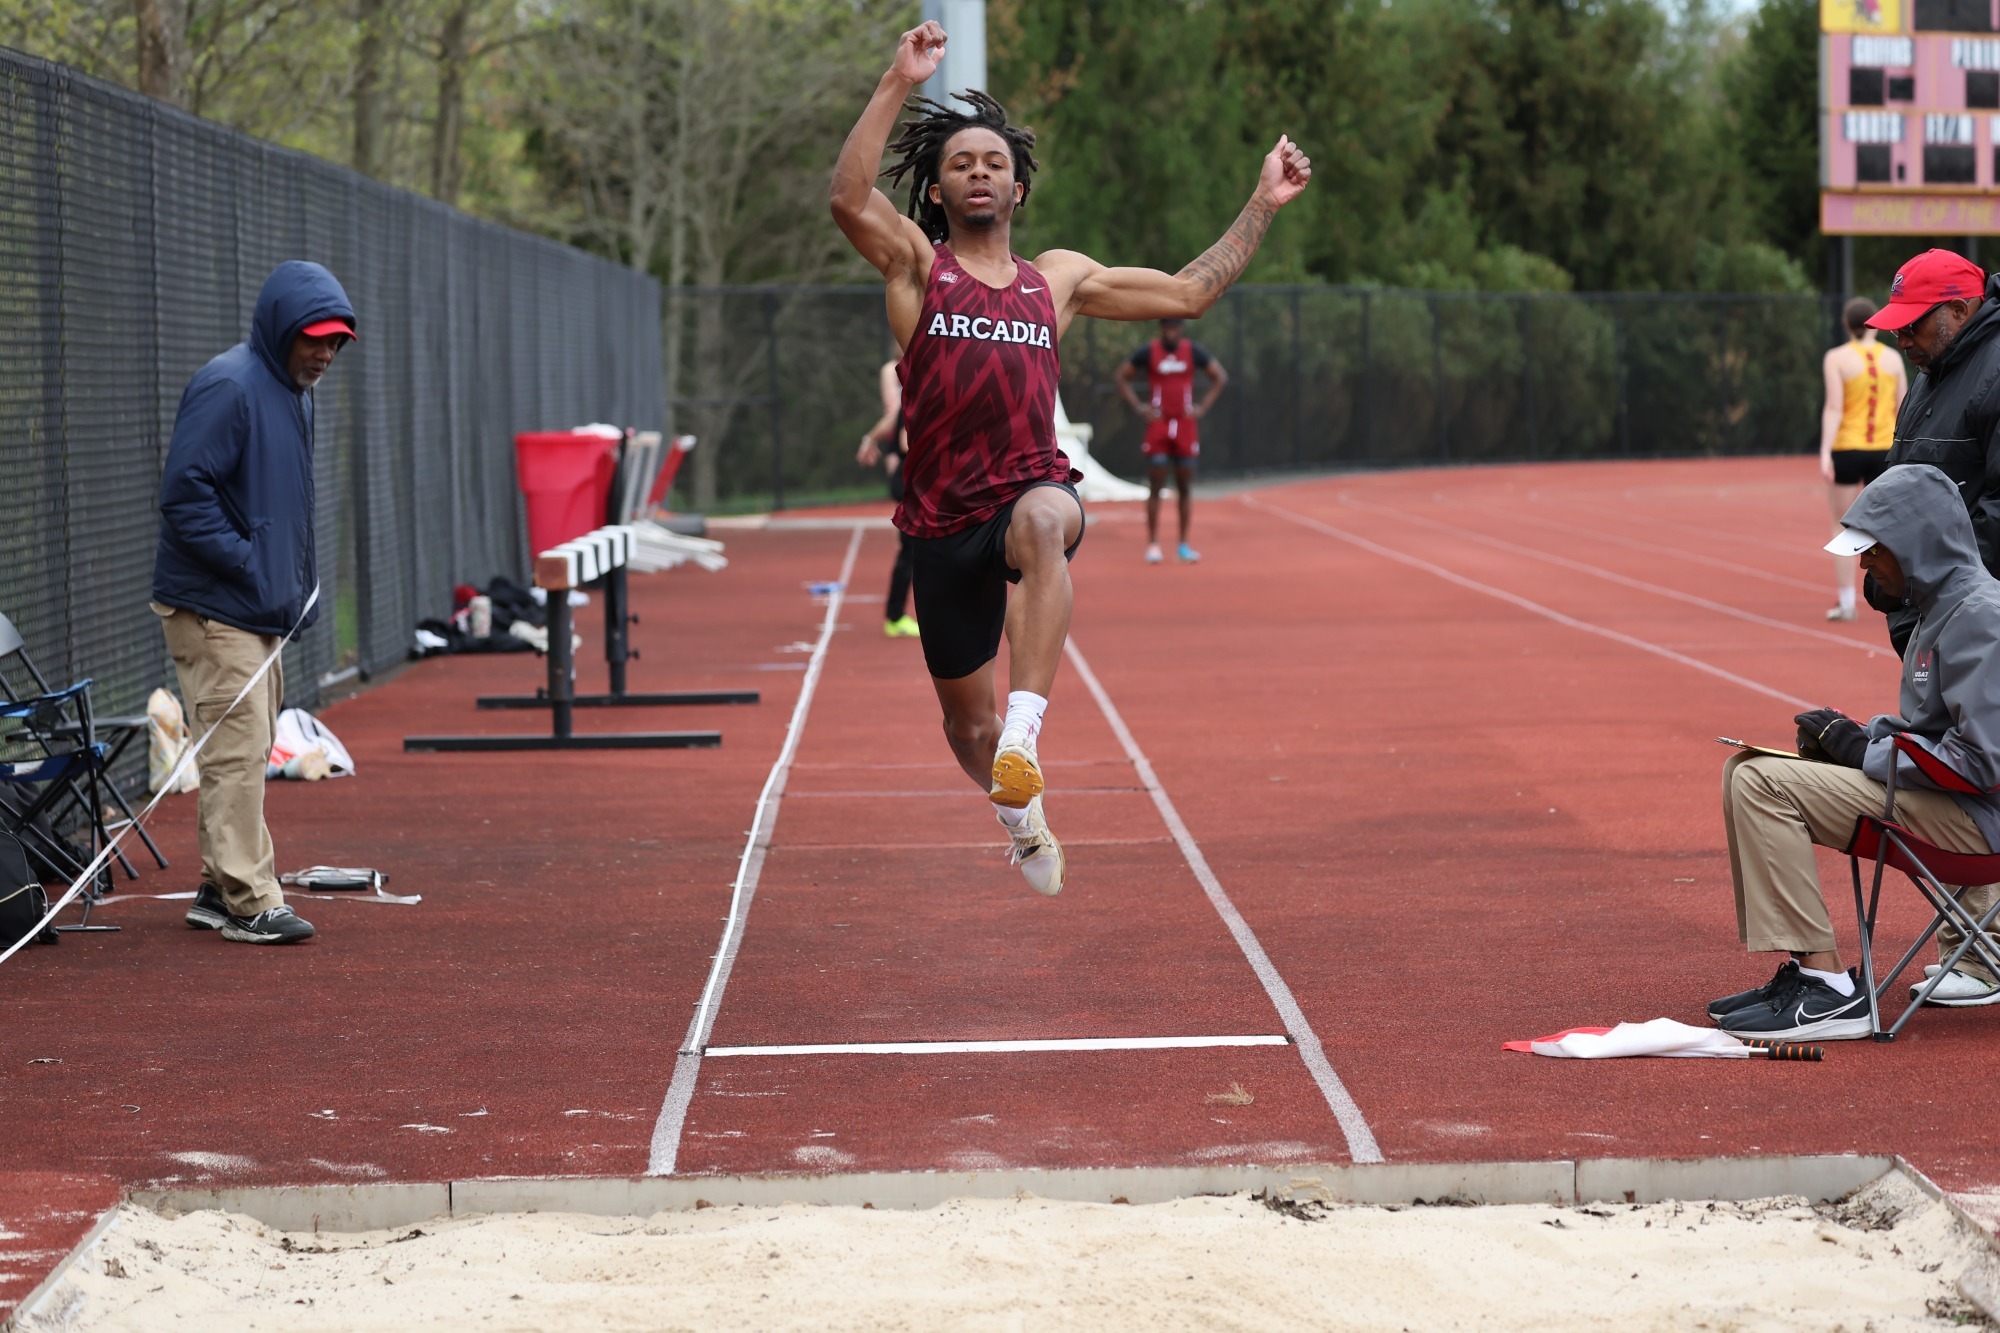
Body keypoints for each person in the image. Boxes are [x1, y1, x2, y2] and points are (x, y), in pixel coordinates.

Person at [830, 19, 1310, 895]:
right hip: (941, 516)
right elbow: (847, 197)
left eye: (994, 162)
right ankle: (1019, 809)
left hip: (1024, 490)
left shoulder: (1058, 281)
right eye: (961, 163)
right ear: (936, 193)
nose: (979, 170)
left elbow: (1190, 293)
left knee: (1049, 515)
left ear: (1018, 186)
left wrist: (1262, 203)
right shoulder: (916, 267)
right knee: (960, 731)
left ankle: (1027, 731)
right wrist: (898, 80)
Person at [1711, 464, 2000, 1039]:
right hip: (1952, 809)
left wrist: (1865, 752)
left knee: (1759, 782)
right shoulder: (1942, 606)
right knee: (1744, 767)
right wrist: (1861, 736)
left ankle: (1828, 991)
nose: (1863, 565)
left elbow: (1984, 763)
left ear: (1917, 544)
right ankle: (1807, 972)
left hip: (1977, 826)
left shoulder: (1977, 615)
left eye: (1873, 551)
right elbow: (1937, 733)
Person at [151, 260, 356, 945]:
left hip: (252, 604)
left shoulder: (291, 389)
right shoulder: (230, 384)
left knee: (248, 742)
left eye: (336, 342)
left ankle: (216, 885)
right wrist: (250, 565)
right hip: (216, 604)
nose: (324, 353)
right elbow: (185, 494)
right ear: (281, 330)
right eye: (313, 339)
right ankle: (249, 898)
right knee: (239, 751)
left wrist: (282, 585)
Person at [1871, 249, 2000, 656]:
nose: (1902, 339)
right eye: (1896, 329)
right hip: (1933, 616)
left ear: (1960, 309)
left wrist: (1916, 580)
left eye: (1911, 324)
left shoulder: (1993, 373)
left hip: (1972, 623)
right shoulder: (1932, 371)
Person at [1819, 296, 1906, 621]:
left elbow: (1834, 407)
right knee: (1885, 528)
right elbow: (1903, 408)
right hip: (1884, 451)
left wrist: (1825, 451)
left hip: (1847, 448)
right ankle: (1896, 596)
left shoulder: (1837, 358)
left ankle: (1846, 602)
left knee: (1841, 525)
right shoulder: (1894, 359)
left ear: (1846, 324)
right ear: (1876, 321)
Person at [1116, 318, 1227, 564]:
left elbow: (1219, 376)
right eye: (1167, 326)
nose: (1171, 330)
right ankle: (1153, 543)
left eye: (1175, 326)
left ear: (1181, 328)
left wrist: (1202, 407)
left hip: (1185, 425)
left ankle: (1184, 544)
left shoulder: (1193, 351)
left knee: (1185, 484)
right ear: (1161, 328)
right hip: (1158, 424)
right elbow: (1122, 376)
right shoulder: (1149, 351)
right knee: (1156, 482)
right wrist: (1139, 407)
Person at [857, 357, 920, 637]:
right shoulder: (919, 393)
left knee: (918, 547)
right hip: (911, 479)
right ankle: (895, 616)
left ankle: (897, 615)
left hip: (911, 479)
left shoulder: (916, 393)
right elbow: (907, 440)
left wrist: (870, 438)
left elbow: (893, 419)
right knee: (914, 548)